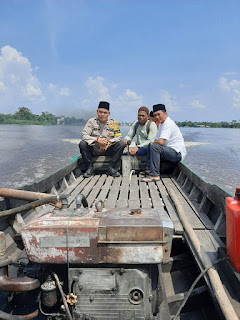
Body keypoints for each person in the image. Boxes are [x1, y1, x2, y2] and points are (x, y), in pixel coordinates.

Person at [141, 104, 186, 182]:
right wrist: (152, 143)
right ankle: (149, 169)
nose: (157, 117)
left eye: (159, 114)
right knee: (151, 145)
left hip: (176, 153)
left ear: (165, 113)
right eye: (155, 115)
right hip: (168, 150)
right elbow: (155, 140)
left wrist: (153, 142)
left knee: (154, 146)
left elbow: (161, 142)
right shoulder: (161, 124)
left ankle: (154, 175)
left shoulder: (168, 123)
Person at [79, 101, 125, 178]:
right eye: (100, 112)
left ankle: (111, 168)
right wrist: (97, 140)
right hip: (95, 149)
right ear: (97, 112)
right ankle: (89, 168)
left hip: (108, 149)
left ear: (108, 114)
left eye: (105, 112)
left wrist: (108, 143)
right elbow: (84, 135)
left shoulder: (113, 123)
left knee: (121, 144)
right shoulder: (91, 122)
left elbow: (119, 137)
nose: (102, 114)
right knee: (82, 143)